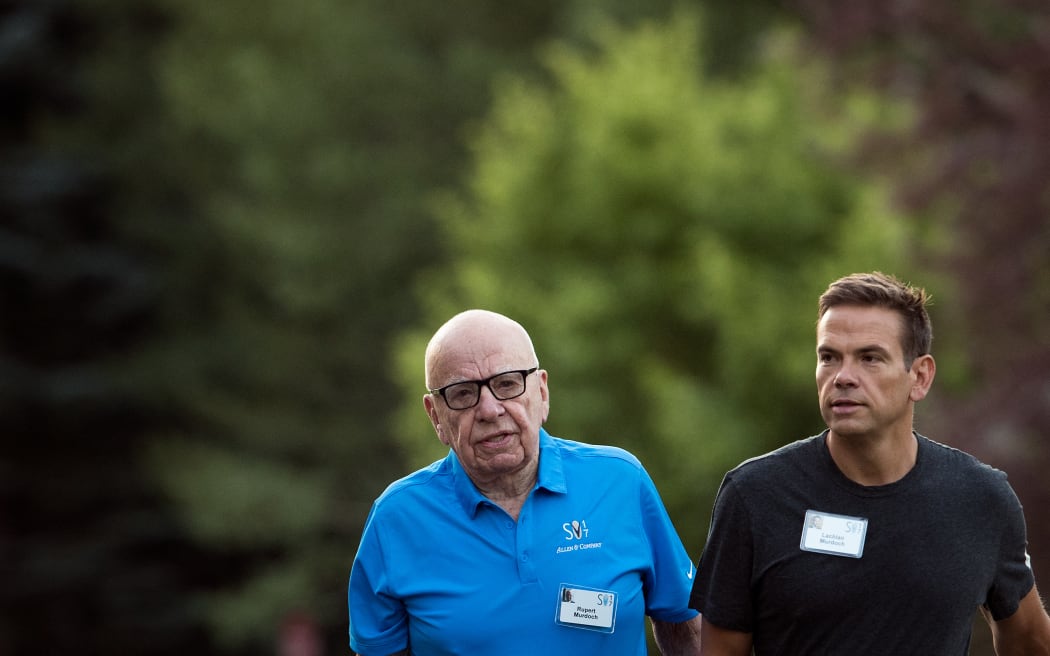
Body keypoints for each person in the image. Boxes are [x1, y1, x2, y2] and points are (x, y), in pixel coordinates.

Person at [689, 271, 1050, 655]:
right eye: (829, 357)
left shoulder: (981, 498)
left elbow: (1030, 639)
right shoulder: (754, 495)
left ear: (920, 377)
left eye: (870, 358)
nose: (843, 377)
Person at [348, 309, 702, 655]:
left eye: (507, 383)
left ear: (542, 392)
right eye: (462, 393)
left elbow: (685, 628)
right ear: (435, 415)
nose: (489, 409)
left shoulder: (621, 481)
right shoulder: (396, 519)